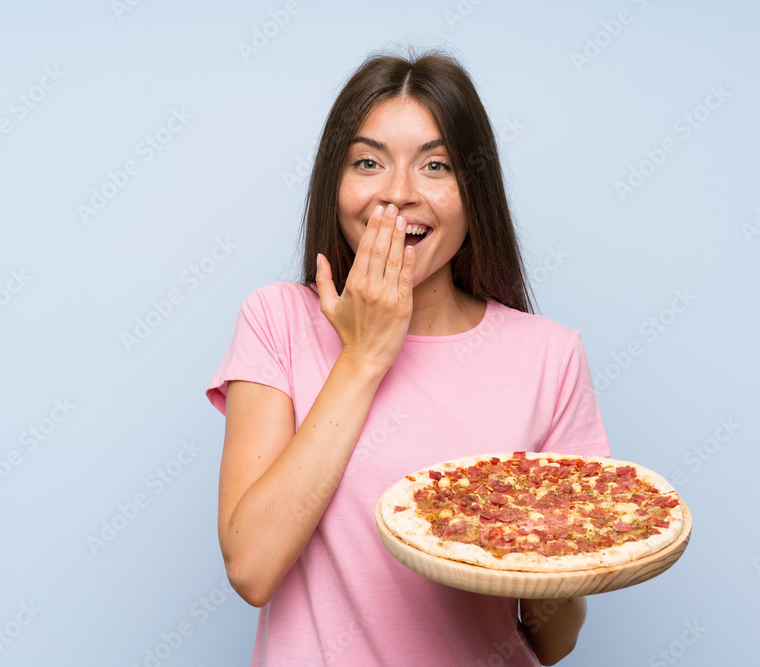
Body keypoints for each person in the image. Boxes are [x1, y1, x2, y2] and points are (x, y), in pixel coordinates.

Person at [206, 48, 610, 666]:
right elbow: (252, 566)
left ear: (474, 191)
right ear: (332, 183)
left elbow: (554, 639)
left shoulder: (549, 355)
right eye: (368, 162)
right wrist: (365, 355)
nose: (397, 195)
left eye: (436, 166)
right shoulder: (276, 320)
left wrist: (544, 564)